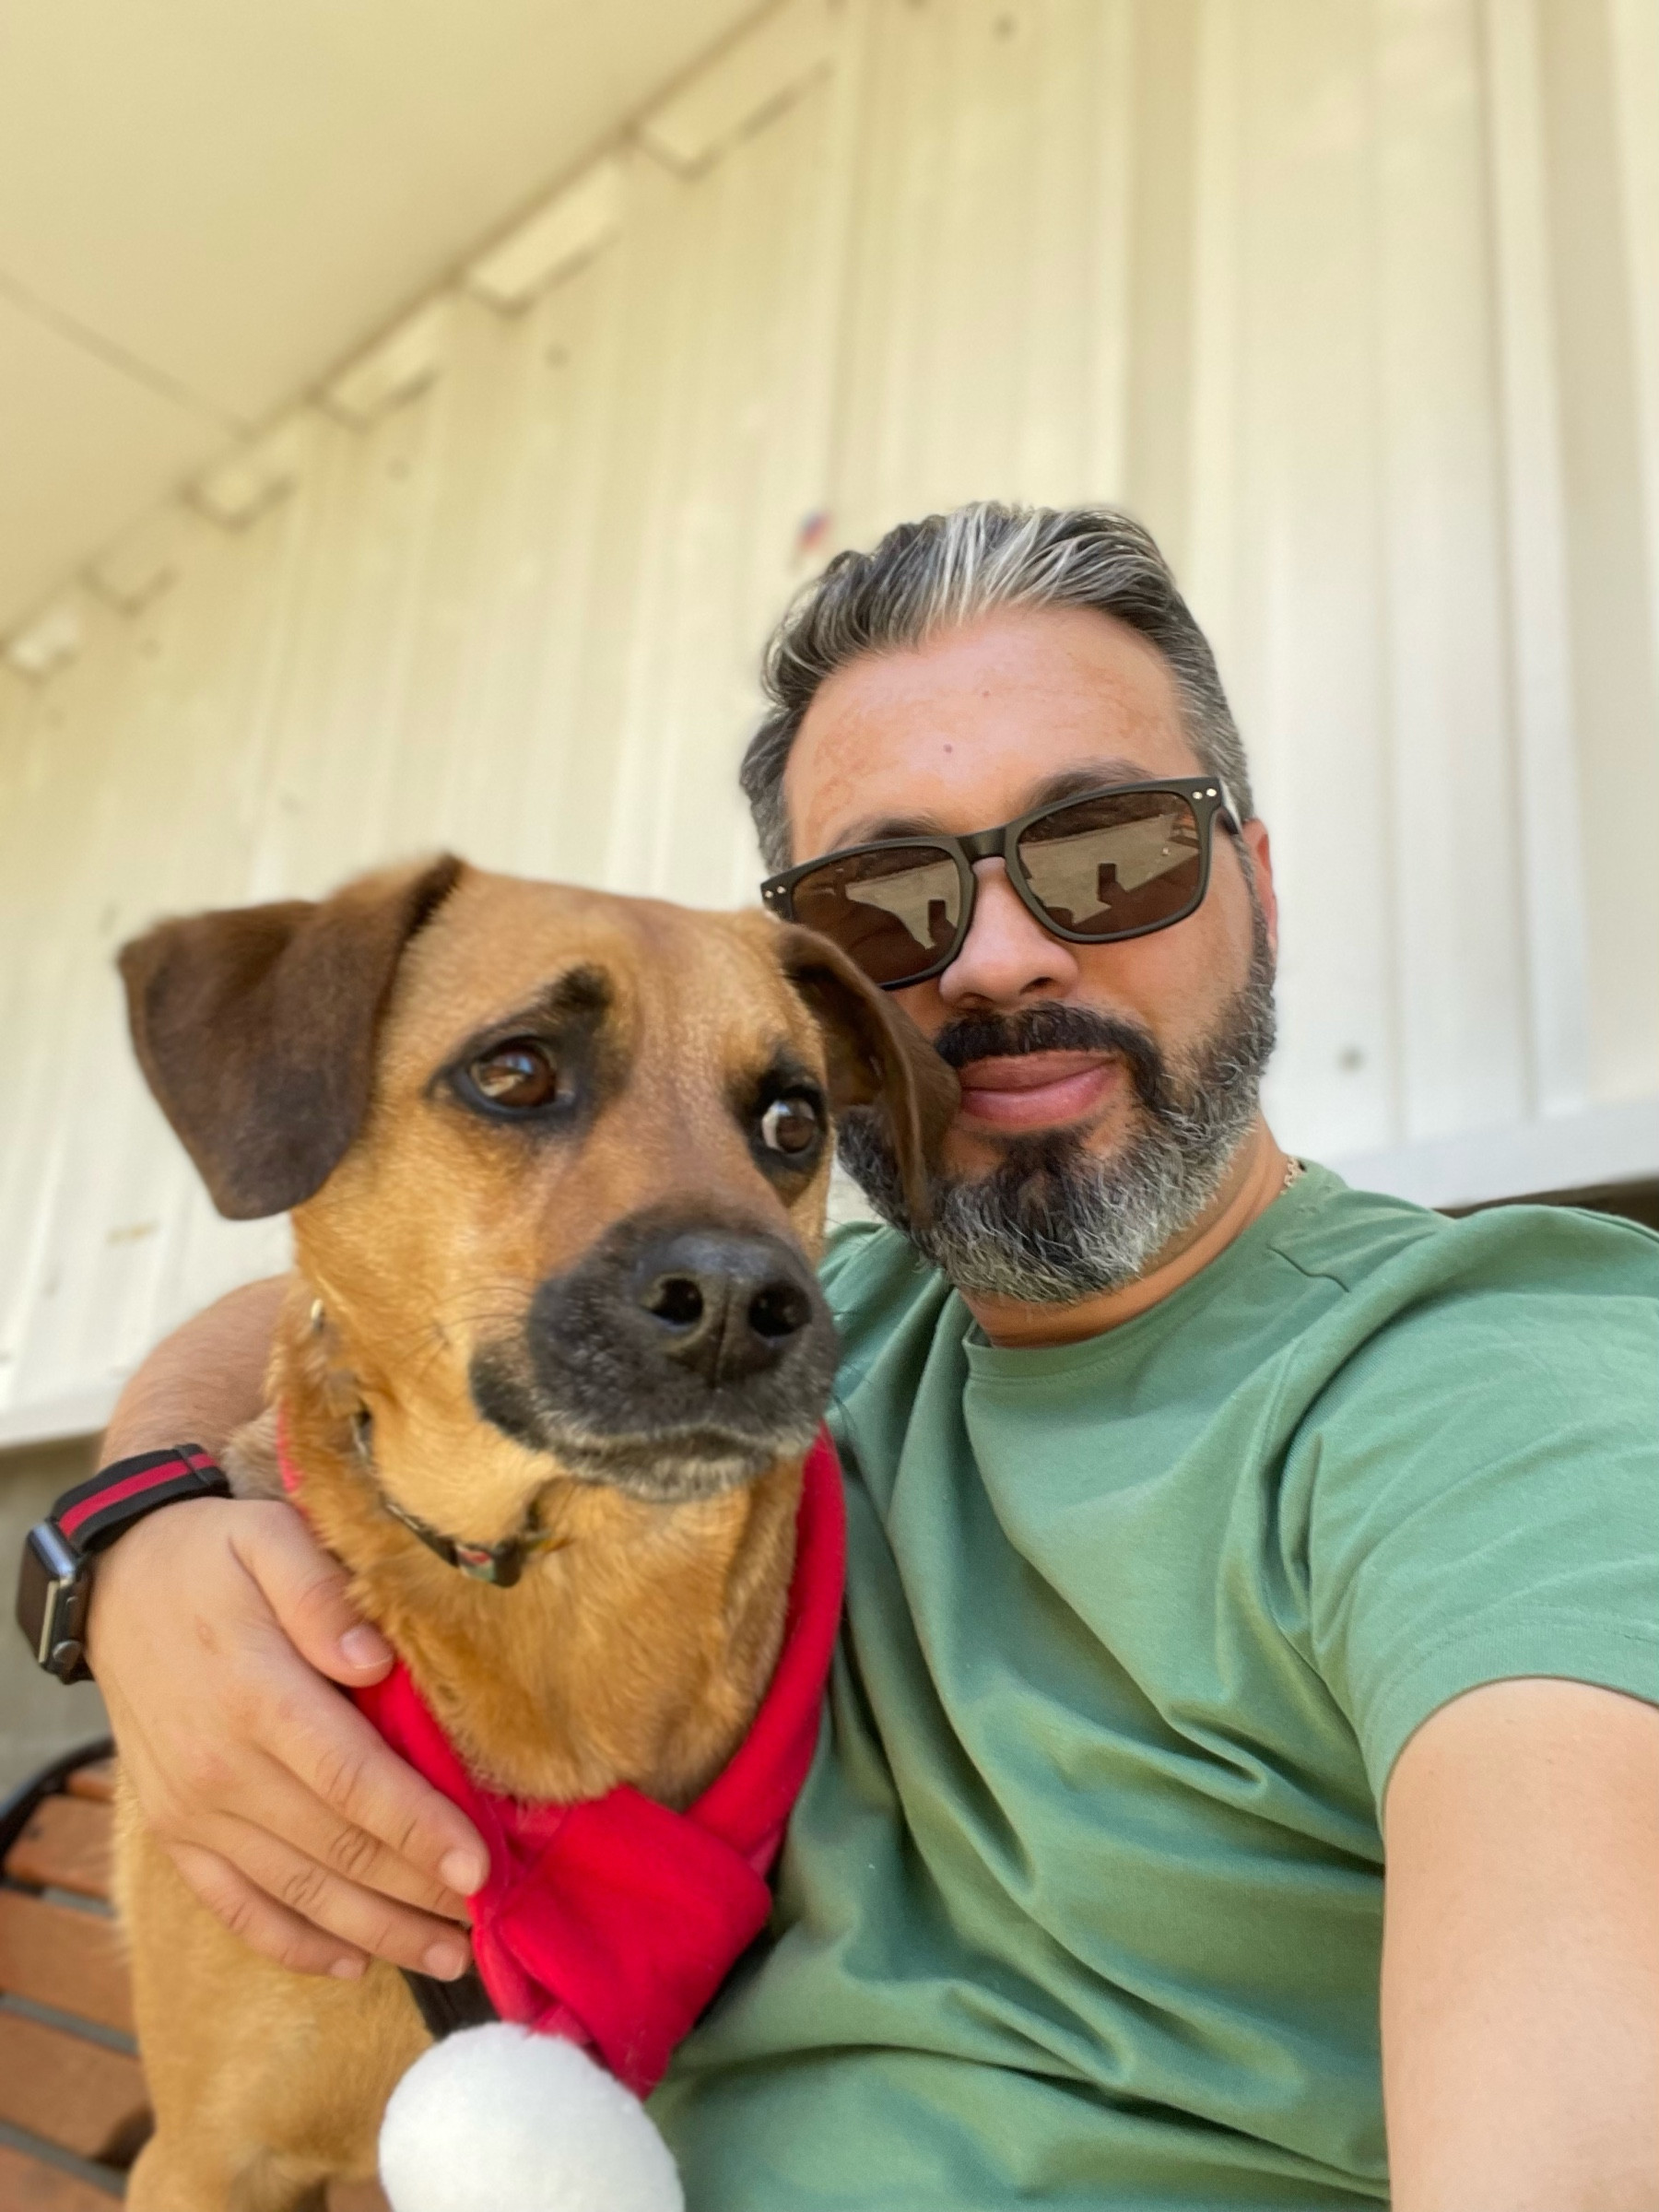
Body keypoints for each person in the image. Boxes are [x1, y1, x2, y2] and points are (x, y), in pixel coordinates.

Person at [73, 505, 1659, 2208]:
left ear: (1255, 891)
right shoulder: (834, 1321)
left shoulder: (1493, 1391)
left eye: (1110, 852)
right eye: (893, 901)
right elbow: (328, 1286)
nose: (1001, 955)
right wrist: (133, 1528)